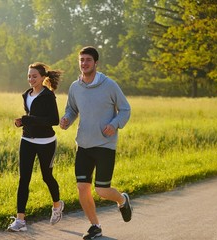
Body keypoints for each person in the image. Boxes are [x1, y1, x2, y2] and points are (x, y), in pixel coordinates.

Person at [60, 46, 132, 240]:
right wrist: (66, 119)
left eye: (88, 60)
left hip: (104, 144)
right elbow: (72, 110)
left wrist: (115, 124)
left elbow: (125, 109)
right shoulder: (75, 87)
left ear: (95, 63)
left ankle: (122, 199)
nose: (84, 63)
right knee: (82, 187)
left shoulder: (109, 85)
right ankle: (95, 226)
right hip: (83, 144)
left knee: (101, 190)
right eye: (81, 60)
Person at [7, 62, 64, 232]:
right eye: (29, 76)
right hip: (27, 140)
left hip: (46, 142)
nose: (31, 79)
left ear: (42, 78)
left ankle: (57, 205)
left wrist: (28, 119)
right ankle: (20, 220)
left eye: (34, 76)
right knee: (24, 179)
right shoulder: (26, 94)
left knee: (47, 176)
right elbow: (30, 117)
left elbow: (53, 120)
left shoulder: (48, 96)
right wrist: (22, 122)